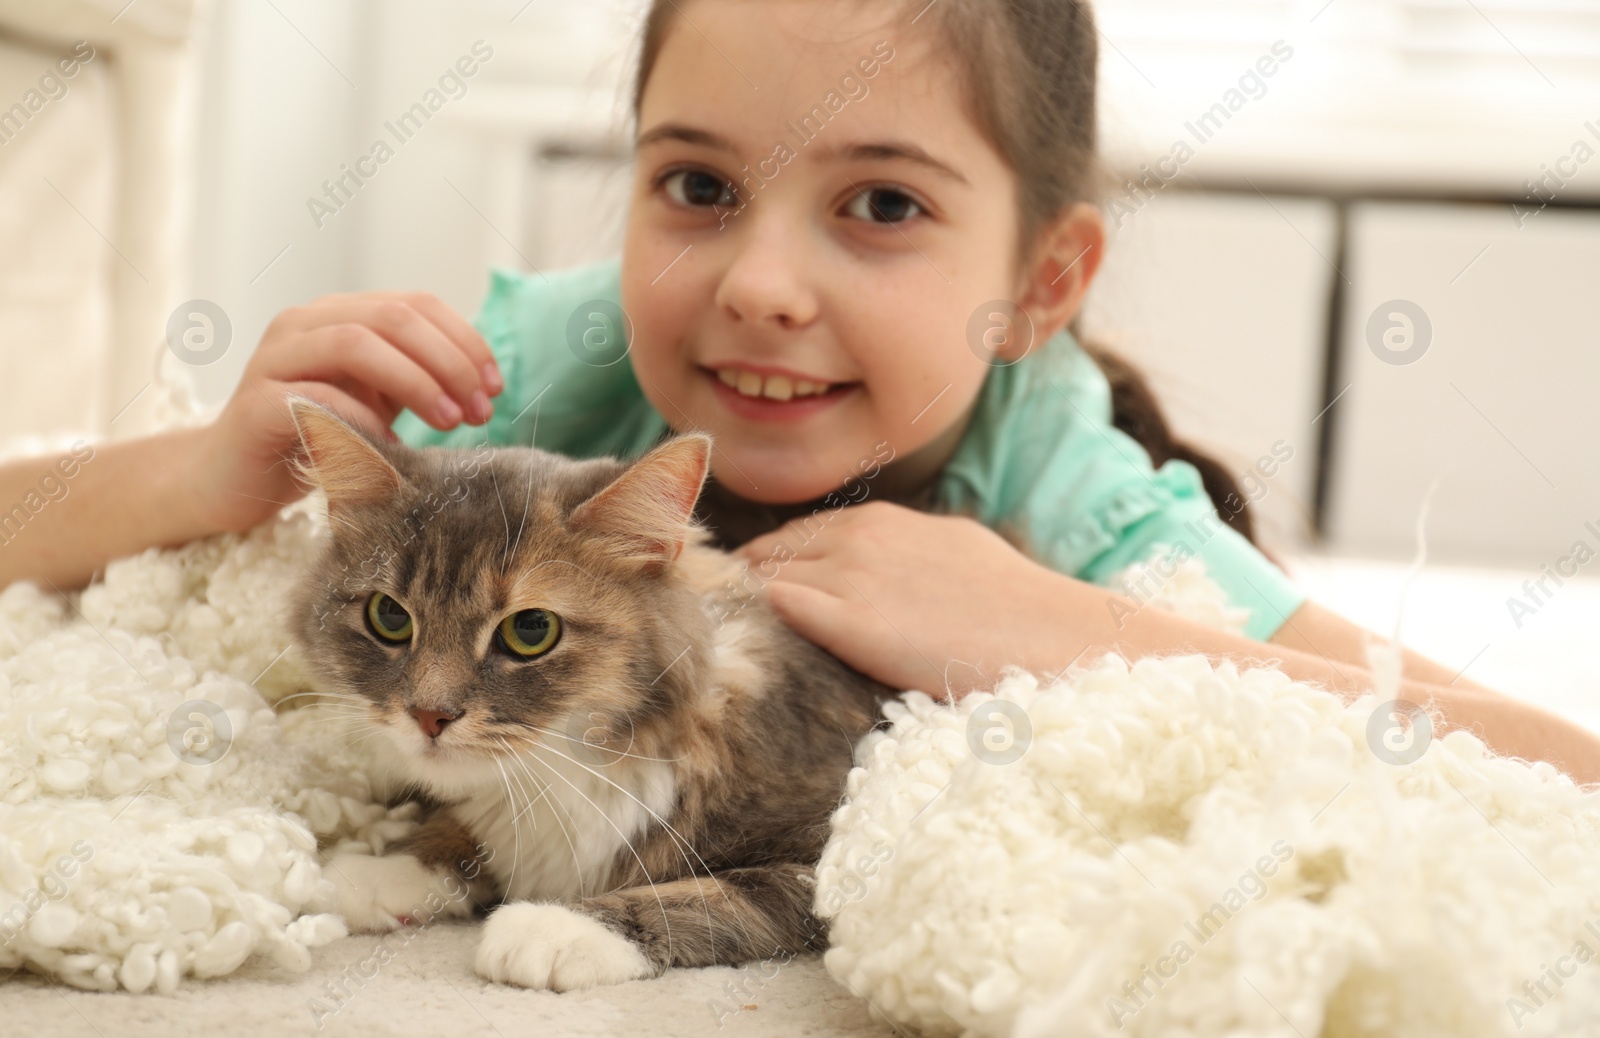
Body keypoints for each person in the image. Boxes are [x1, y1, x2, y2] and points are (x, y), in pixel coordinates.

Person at [3, 0, 1596, 782]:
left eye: (883, 206)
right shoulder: (549, 376)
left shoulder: (1054, 485)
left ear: (1040, 284)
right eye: (696, 186)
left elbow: (1539, 760)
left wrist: (1062, 626)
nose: (760, 283)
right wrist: (207, 468)